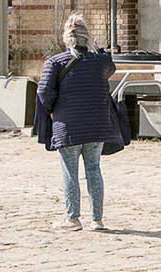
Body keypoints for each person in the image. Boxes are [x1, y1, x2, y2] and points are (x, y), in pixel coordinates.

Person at [36, 12, 117, 230]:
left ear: (66, 38)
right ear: (86, 36)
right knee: (94, 170)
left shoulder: (55, 62)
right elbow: (110, 66)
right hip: (97, 126)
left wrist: (53, 111)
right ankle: (97, 219)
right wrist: (95, 46)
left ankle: (72, 218)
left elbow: (44, 93)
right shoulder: (101, 62)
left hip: (68, 126)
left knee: (70, 172)